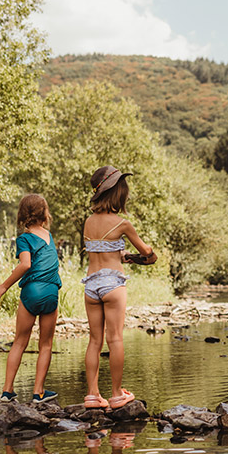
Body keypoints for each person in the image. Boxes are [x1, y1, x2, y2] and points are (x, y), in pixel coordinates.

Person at [81, 165, 155, 410]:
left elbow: (100, 248)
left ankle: (92, 395)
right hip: (113, 284)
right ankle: (115, 394)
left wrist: (120, 254)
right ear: (117, 194)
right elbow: (146, 252)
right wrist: (145, 254)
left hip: (91, 285)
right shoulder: (123, 224)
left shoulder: (88, 222)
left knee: (94, 341)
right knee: (114, 339)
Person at [0, 193, 62, 403]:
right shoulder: (49, 236)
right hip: (51, 291)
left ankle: (7, 391)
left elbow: (26, 264)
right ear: (45, 214)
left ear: (22, 215)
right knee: (45, 345)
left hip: (32, 291)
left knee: (20, 342)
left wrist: (4, 286)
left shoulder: (24, 239)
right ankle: (39, 392)